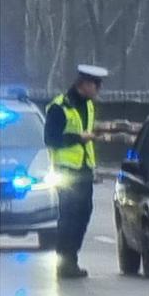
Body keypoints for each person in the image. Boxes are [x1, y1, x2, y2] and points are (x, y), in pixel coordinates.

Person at [45, 64, 107, 279]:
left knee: (84, 214)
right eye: (96, 85)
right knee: (68, 217)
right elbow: (51, 139)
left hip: (84, 170)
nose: (98, 89)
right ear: (85, 84)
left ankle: (72, 258)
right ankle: (64, 262)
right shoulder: (59, 107)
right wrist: (79, 138)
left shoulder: (88, 105)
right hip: (66, 171)